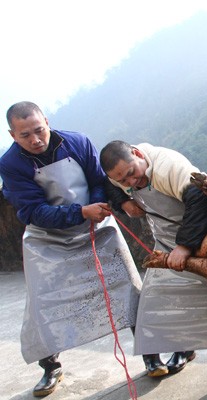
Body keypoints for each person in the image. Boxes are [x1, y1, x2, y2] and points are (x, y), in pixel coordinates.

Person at [0, 102, 143, 397]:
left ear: (47, 122)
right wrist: (79, 212)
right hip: (47, 237)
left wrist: (96, 208)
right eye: (25, 135)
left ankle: (151, 351)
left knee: (128, 285)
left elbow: (98, 181)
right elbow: (32, 212)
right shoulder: (10, 164)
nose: (36, 139)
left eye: (40, 130)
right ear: (13, 135)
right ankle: (50, 366)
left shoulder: (77, 141)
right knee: (43, 302)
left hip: (95, 224)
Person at [100, 140, 207, 378]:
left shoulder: (169, 166)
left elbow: (201, 200)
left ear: (137, 154)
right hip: (164, 240)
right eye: (123, 181)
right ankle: (182, 349)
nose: (131, 182)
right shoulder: (120, 174)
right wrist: (123, 201)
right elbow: (108, 183)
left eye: (131, 174)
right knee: (160, 300)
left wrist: (184, 246)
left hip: (203, 236)